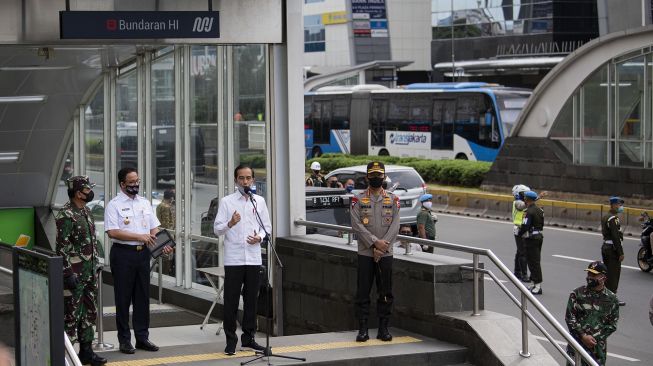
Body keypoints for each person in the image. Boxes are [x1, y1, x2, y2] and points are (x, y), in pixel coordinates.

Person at [105, 167, 173, 354]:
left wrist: (162, 244)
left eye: (137, 181)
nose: (136, 185)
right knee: (123, 298)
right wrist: (140, 236)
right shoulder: (114, 205)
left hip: (143, 254)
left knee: (142, 298)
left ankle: (142, 338)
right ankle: (125, 340)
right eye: (132, 182)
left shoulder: (144, 203)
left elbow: (154, 229)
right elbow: (113, 232)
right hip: (123, 255)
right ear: (122, 184)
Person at [213, 164, 271, 355]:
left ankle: (249, 338)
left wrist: (260, 238)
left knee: (251, 301)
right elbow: (217, 229)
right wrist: (231, 222)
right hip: (234, 259)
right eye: (241, 178)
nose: (245, 181)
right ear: (236, 180)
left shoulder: (259, 201)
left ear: (253, 180)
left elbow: (266, 228)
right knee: (230, 301)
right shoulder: (227, 202)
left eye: (248, 178)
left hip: (253, 258)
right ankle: (231, 340)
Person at [56, 176, 107, 366]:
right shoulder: (66, 215)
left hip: (89, 273)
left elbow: (91, 242)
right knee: (71, 315)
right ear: (78, 193)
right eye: (87, 190)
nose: (90, 193)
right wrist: (68, 273)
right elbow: (61, 247)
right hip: (75, 275)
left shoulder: (86, 211)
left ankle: (86, 352)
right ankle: (66, 356)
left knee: (89, 313)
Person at [350, 162, 400, 343]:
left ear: (384, 177)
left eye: (379, 175)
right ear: (367, 178)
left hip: (386, 254)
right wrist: (374, 244)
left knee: (385, 292)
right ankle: (363, 329)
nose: (376, 178)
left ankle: (383, 329)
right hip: (365, 254)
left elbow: (395, 226)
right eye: (373, 175)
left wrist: (382, 247)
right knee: (363, 292)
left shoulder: (393, 199)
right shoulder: (358, 199)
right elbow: (357, 226)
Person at [565, 261, 619, 366]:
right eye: (589, 273)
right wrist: (583, 336)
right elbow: (569, 317)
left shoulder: (611, 299)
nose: (590, 277)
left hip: (597, 349)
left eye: (594, 275)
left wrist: (594, 338)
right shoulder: (577, 294)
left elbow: (612, 324)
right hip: (577, 345)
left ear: (603, 277)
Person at [518, 190, 544, 295]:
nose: (524, 199)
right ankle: (534, 283)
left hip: (531, 238)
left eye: (524, 198)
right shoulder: (539, 210)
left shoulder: (528, 211)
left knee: (533, 262)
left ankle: (537, 286)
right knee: (535, 260)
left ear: (527, 199)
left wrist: (519, 233)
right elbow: (541, 224)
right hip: (538, 236)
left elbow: (525, 226)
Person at [601, 196, 626, 306]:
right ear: (613, 205)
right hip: (612, 250)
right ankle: (611, 298)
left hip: (606, 247)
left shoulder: (606, 216)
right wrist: (620, 252)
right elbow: (616, 237)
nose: (620, 207)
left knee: (607, 273)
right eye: (619, 205)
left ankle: (605, 295)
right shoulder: (613, 219)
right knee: (613, 275)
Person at [511, 184, 530, 282]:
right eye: (524, 194)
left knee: (519, 252)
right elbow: (524, 206)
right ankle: (524, 275)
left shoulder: (521, 201)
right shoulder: (518, 202)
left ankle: (517, 272)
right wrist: (536, 198)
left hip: (522, 229)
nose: (526, 196)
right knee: (523, 253)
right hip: (519, 229)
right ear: (518, 194)